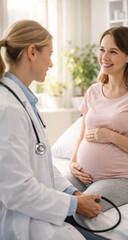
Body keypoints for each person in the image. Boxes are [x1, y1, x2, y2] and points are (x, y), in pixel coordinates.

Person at [0, 20, 108, 240]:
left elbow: (40, 163)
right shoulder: (8, 109)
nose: (51, 63)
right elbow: (17, 191)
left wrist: (73, 192)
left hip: (42, 214)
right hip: (23, 224)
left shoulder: (21, 102)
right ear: (32, 52)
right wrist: (74, 204)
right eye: (49, 54)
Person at [66, 26, 128, 212]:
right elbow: (82, 136)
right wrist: (72, 163)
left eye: (113, 52)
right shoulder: (93, 90)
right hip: (83, 176)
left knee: (85, 208)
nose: (104, 57)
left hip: (126, 179)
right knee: (50, 197)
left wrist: (113, 137)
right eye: (102, 50)